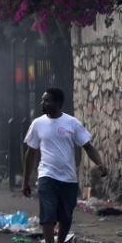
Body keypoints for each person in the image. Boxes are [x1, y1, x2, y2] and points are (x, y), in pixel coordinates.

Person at [22, 88, 106, 243]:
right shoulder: (37, 124)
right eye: (43, 100)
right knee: (47, 213)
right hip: (47, 175)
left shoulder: (72, 123)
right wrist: (26, 181)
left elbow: (88, 146)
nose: (43, 103)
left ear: (58, 103)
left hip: (68, 178)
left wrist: (99, 163)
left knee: (66, 216)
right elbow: (31, 153)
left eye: (47, 100)